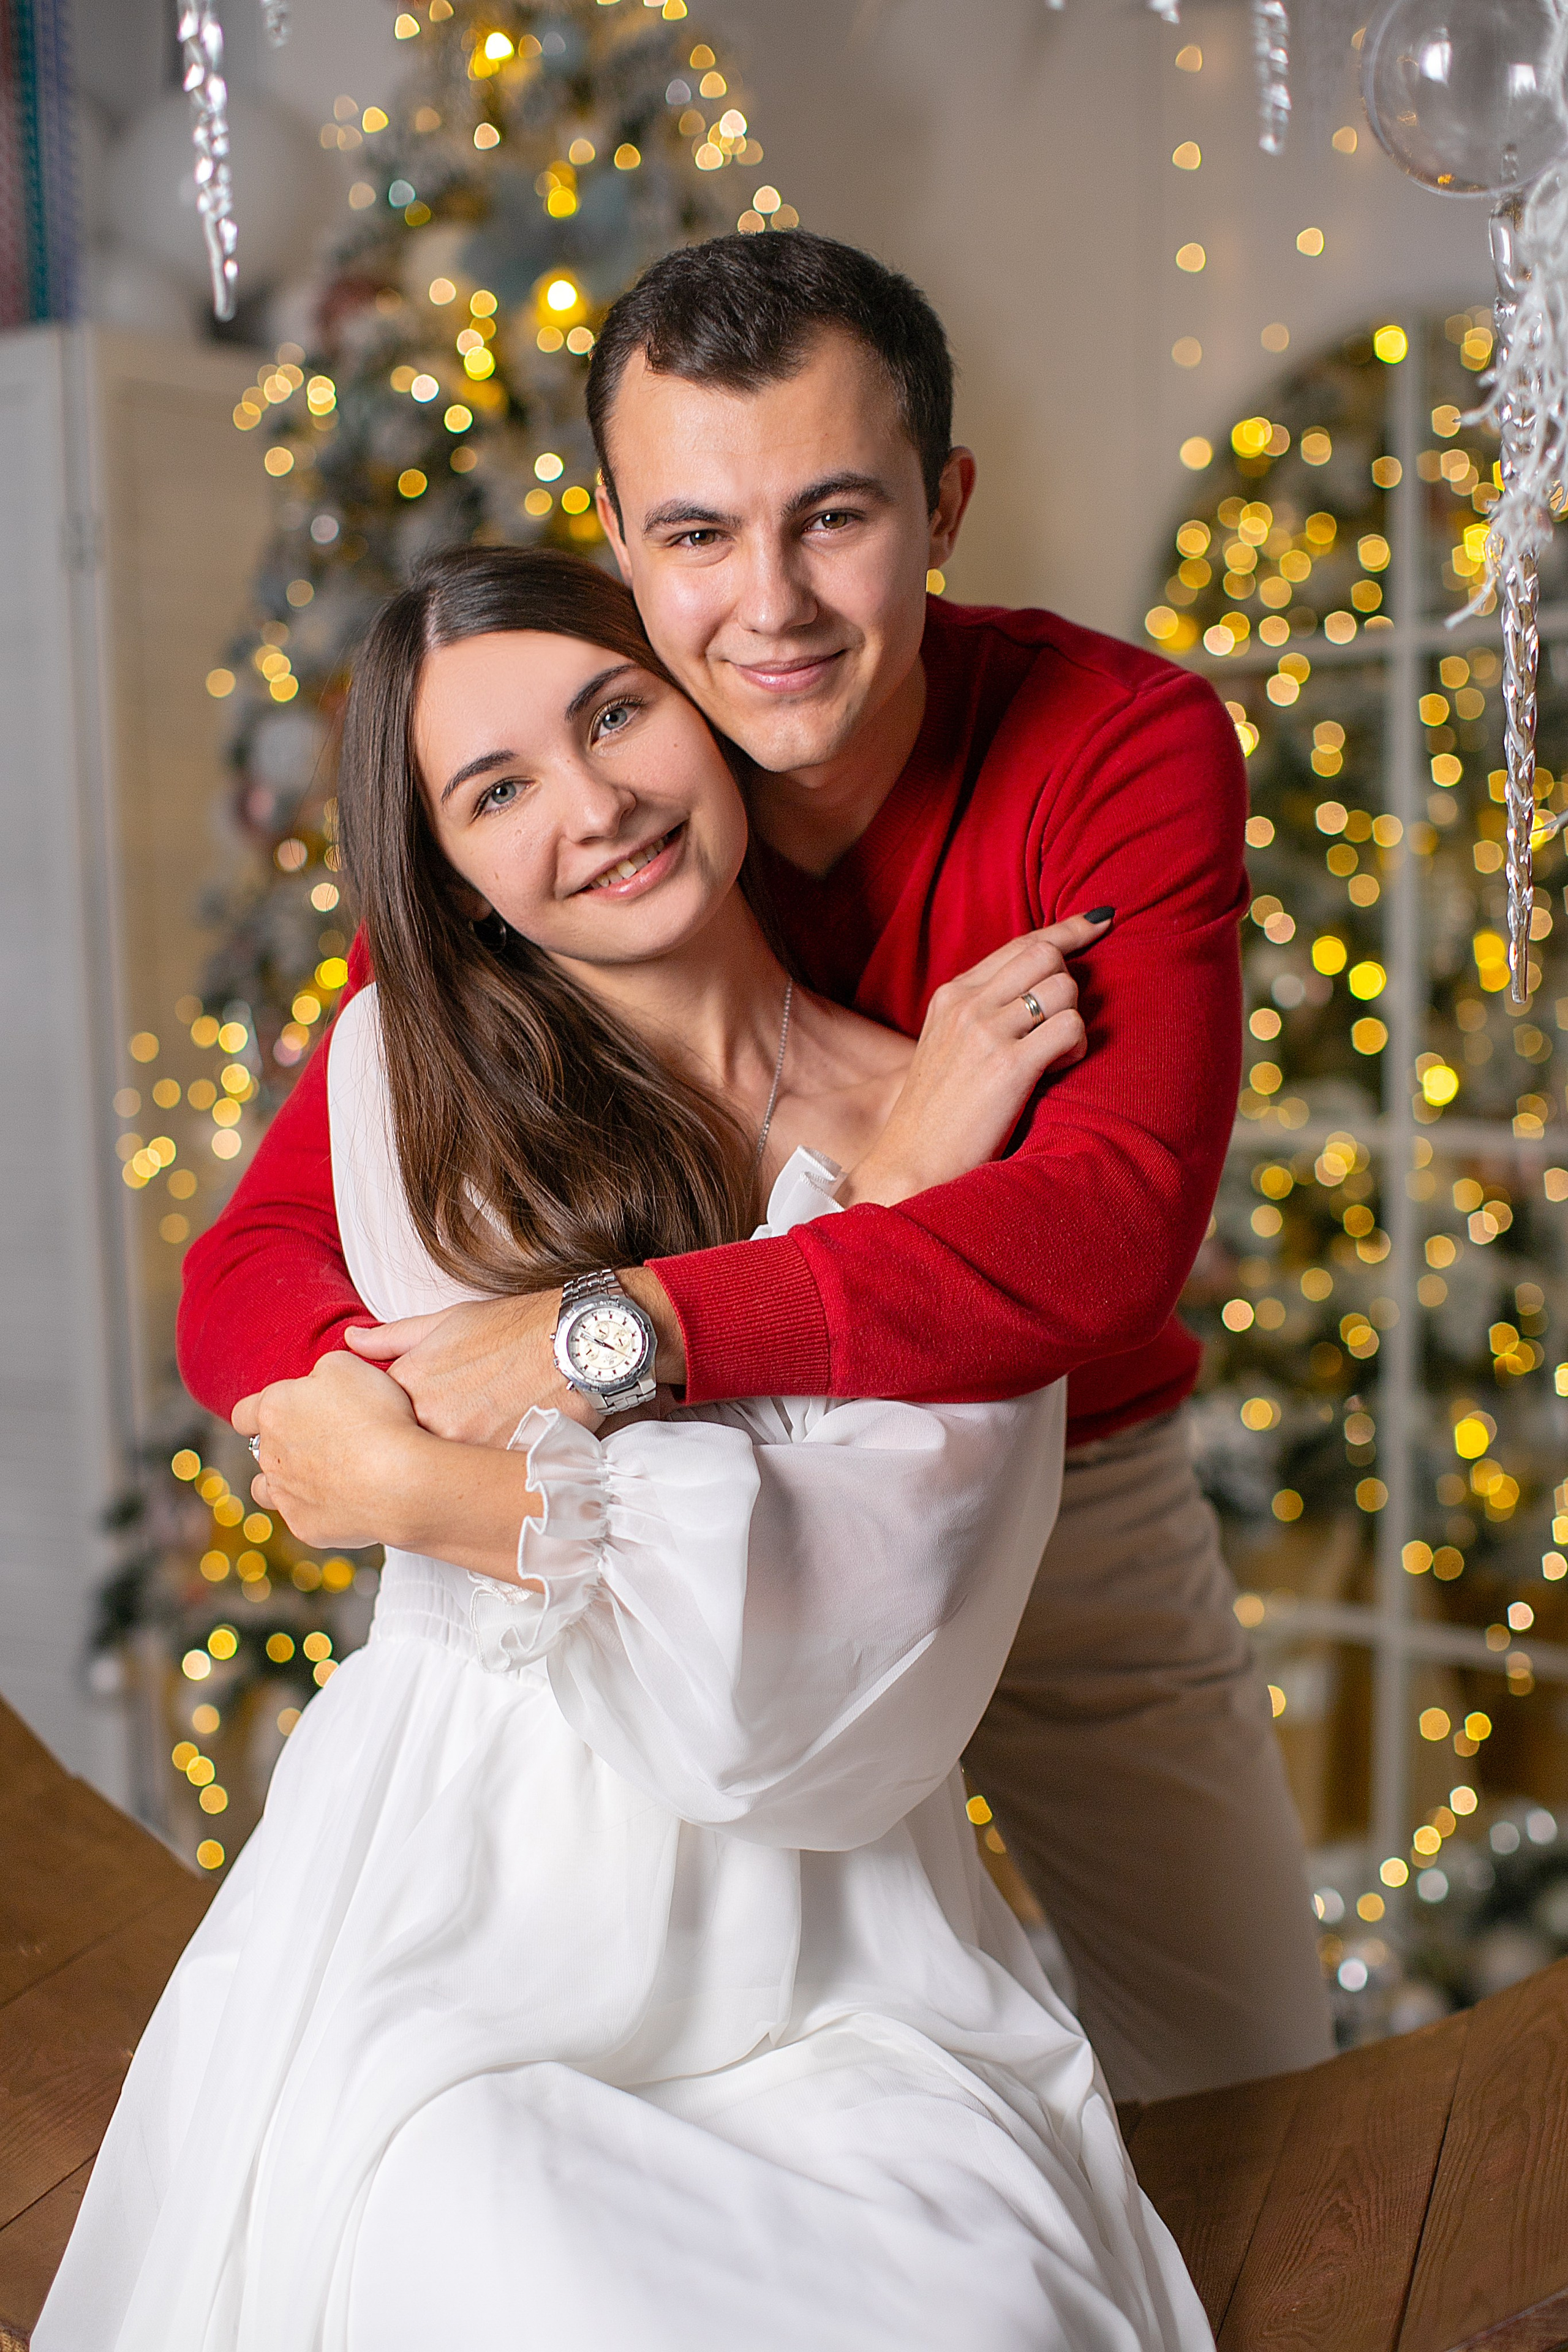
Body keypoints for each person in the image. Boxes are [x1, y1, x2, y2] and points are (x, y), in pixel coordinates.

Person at [177, 230, 1332, 2100]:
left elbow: (1107, 1233)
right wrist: (357, 1425)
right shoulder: (579, 794)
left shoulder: (1112, 746)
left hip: (1067, 1495)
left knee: (1257, 2079)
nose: (769, 608)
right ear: (625, 549)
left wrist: (597, 1333)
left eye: (837, 517)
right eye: (699, 535)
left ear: (944, 509)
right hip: (704, 1559)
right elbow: (274, 1236)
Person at [37, 552, 1213, 2352]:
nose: (592, 810)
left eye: (613, 716)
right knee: (492, 2237)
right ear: (453, 884)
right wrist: (881, 1212)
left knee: (973, 2305)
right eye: (496, 793)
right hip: (465, 1924)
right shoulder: (416, 1086)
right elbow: (637, 1618)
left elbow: (805, 1697)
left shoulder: (968, 1123)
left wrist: (459, 1487)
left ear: (702, 706)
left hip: (843, 1965)